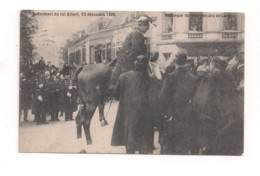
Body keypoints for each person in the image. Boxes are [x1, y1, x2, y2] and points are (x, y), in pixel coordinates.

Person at [193, 57, 243, 155]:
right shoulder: (230, 77)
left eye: (211, 64)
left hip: (211, 119)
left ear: (214, 65)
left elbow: (201, 99)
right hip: (227, 120)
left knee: (211, 149)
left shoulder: (210, 78)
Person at [111, 55, 154, 154]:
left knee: (130, 150)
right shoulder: (150, 79)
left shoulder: (123, 77)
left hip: (129, 120)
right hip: (145, 122)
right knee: (145, 150)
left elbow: (116, 95)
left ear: (135, 64)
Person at [159, 50, 199, 154]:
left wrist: (167, 114)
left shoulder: (170, 77)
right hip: (188, 116)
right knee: (184, 145)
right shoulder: (193, 78)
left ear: (175, 61)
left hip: (174, 117)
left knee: (172, 146)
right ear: (186, 61)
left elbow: (163, 97)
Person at [110, 15, 155, 87]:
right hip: (128, 62)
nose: (148, 29)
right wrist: (147, 56)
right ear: (143, 25)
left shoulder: (135, 32)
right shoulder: (137, 34)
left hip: (125, 59)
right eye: (148, 27)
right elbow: (137, 50)